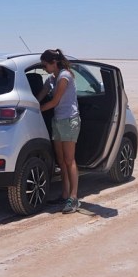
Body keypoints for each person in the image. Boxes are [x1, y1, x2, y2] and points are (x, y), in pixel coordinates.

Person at [36, 48, 81, 213]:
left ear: (54, 63)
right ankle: (64, 194)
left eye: (45, 65)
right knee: (61, 161)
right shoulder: (51, 79)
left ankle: (73, 198)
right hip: (57, 121)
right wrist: (32, 103)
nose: (44, 68)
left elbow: (54, 102)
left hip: (69, 121)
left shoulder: (64, 77)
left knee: (69, 160)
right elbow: (41, 95)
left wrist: (37, 109)